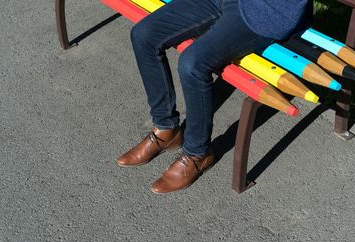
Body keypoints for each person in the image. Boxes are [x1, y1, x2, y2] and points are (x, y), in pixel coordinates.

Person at [116, 0, 313, 193]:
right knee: (144, 35)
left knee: (192, 64)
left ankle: (197, 153)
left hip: (266, 10)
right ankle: (166, 129)